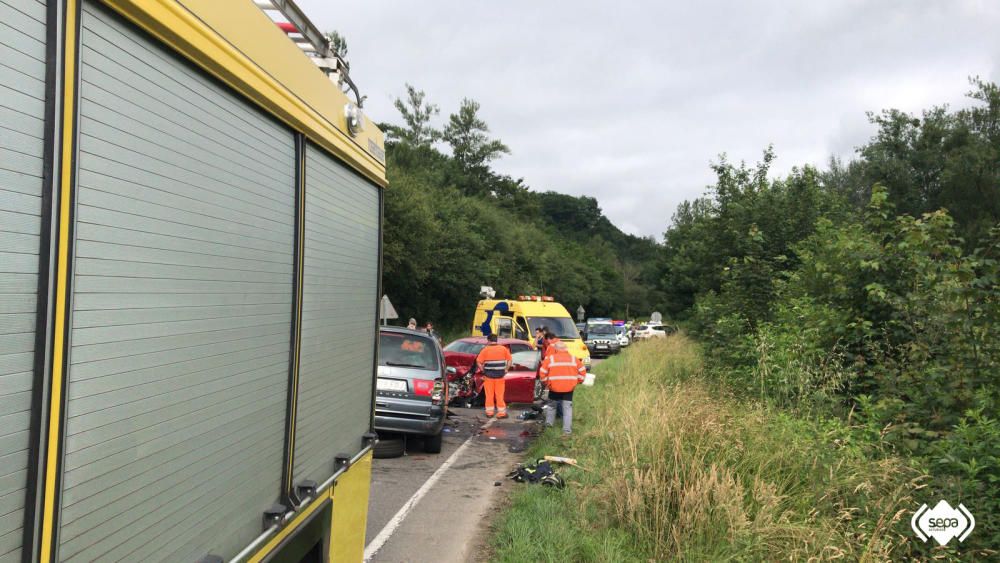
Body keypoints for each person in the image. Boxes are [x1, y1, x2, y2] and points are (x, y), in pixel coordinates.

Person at [538, 341, 586, 435]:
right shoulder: (574, 359)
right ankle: (567, 431)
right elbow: (583, 373)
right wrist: (577, 382)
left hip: (554, 388)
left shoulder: (550, 359)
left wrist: (547, 383)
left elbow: (542, 373)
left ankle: (549, 426)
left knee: (551, 407)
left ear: (556, 349)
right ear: (566, 348)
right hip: (569, 388)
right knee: (567, 408)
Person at [473, 333, 512, 418]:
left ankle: (489, 413)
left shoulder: (485, 350)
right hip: (500, 377)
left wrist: (483, 369)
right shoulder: (503, 349)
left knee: (489, 395)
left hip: (489, 377)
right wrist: (506, 369)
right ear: (496, 340)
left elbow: (478, 361)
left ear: (489, 341)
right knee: (499, 395)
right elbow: (509, 360)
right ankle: (501, 413)